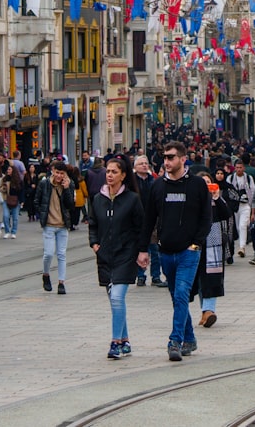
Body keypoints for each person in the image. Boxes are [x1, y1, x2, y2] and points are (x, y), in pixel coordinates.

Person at [139, 140, 211, 362]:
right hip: (166, 252)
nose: (166, 161)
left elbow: (206, 217)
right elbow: (148, 219)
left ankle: (175, 341)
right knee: (176, 299)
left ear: (183, 159)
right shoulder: (158, 186)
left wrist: (196, 243)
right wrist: (143, 249)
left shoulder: (197, 185)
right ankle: (190, 339)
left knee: (181, 294)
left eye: (171, 157)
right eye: (165, 157)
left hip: (189, 252)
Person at [88, 156, 143, 360]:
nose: (109, 175)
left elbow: (140, 227)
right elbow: (93, 223)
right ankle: (125, 340)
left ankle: (115, 343)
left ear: (123, 175)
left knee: (118, 297)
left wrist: (141, 252)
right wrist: (94, 243)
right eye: (108, 172)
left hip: (125, 255)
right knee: (114, 301)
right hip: (105, 256)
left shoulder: (131, 200)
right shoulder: (98, 199)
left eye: (114, 172)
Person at [195, 172, 235, 329]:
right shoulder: (194, 200)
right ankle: (205, 311)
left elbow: (227, 214)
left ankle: (208, 310)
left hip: (213, 243)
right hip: (196, 242)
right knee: (199, 279)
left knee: (212, 277)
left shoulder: (217, 200)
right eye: (202, 183)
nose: (206, 186)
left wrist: (217, 198)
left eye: (208, 183)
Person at [36, 160, 75, 294]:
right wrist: (41, 216)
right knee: (48, 254)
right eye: (57, 173)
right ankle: (46, 274)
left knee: (61, 254)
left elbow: (70, 205)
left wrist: (66, 189)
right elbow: (37, 201)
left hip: (63, 225)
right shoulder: (44, 184)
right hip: (49, 225)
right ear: (52, 171)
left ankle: (61, 282)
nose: (59, 176)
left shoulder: (69, 185)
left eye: (61, 173)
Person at [133, 156, 166, 287]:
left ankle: (156, 276)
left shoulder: (154, 180)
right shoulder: (132, 182)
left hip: (153, 220)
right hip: (137, 220)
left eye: (146, 163)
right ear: (135, 167)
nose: (144, 166)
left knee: (155, 249)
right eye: (141, 164)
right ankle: (141, 276)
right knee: (141, 249)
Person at [229, 160, 255, 258]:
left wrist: (253, 208)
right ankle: (241, 243)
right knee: (238, 227)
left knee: (243, 225)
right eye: (237, 167)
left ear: (243, 168)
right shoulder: (230, 178)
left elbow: (252, 192)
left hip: (246, 205)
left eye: (240, 167)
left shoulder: (248, 178)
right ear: (234, 168)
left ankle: (242, 247)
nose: (239, 169)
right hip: (235, 206)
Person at [0, 162, 21, 239]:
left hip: (16, 200)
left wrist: (22, 200)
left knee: (15, 217)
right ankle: (7, 231)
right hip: (6, 199)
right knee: (5, 216)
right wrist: (4, 189)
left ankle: (13, 232)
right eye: (8, 169)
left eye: (10, 169)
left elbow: (21, 190)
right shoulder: (4, 179)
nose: (8, 171)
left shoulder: (18, 180)